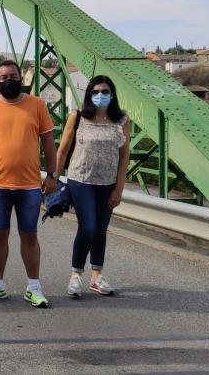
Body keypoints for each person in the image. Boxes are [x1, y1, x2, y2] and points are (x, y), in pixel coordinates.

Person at [0, 59, 58, 308]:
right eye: (4, 77)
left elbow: (49, 143)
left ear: (22, 78)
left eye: (13, 76)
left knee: (29, 236)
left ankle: (34, 287)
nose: (9, 80)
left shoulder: (37, 105)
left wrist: (52, 175)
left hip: (30, 185)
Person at [54, 75, 129, 298]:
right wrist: (53, 179)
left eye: (105, 92)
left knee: (100, 230)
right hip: (81, 180)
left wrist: (119, 189)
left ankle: (96, 276)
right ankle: (75, 275)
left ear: (112, 94)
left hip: (108, 183)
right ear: (89, 94)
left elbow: (125, 155)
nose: (100, 95)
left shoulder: (122, 120)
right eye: (95, 92)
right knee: (87, 227)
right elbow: (63, 150)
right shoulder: (78, 117)